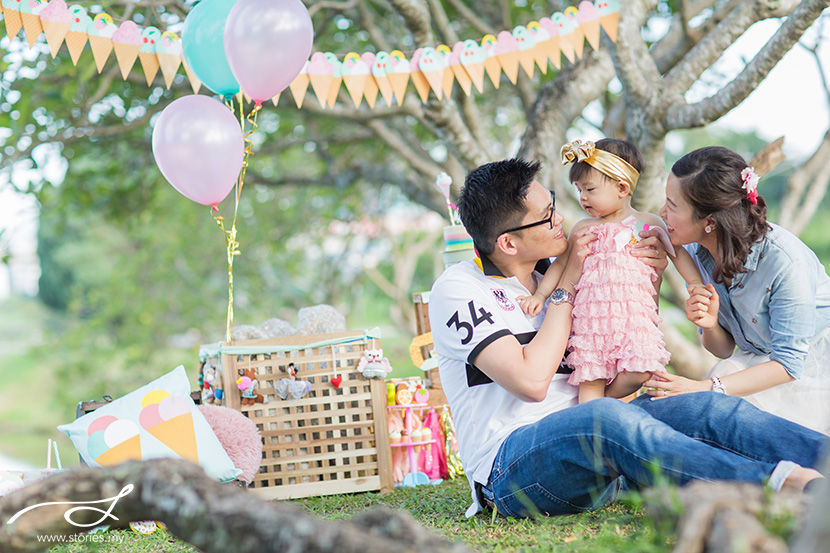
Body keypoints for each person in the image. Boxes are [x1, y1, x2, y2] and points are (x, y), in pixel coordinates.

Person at [429, 157, 827, 518]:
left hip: (604, 439)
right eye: (547, 217)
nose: (562, 219)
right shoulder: (462, 289)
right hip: (515, 467)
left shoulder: (567, 265)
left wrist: (646, 279)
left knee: (702, 406)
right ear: (508, 243)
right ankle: (786, 486)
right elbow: (532, 383)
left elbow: (619, 336)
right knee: (604, 418)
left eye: (553, 204)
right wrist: (566, 286)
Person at [646, 146, 830, 435]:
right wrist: (708, 325)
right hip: (757, 363)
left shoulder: (784, 261)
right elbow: (723, 348)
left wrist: (706, 388)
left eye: (672, 205)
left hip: (810, 371)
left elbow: (788, 365)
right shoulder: (699, 252)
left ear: (709, 221)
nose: (662, 212)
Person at [517, 139, 703, 403]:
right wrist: (540, 295)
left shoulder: (647, 223)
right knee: (590, 380)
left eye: (589, 189)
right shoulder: (583, 227)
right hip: (592, 323)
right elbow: (560, 264)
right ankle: (591, 426)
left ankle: (607, 402)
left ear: (622, 187)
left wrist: (694, 283)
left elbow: (679, 253)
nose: (582, 197)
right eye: (579, 190)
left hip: (633, 322)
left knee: (640, 370)